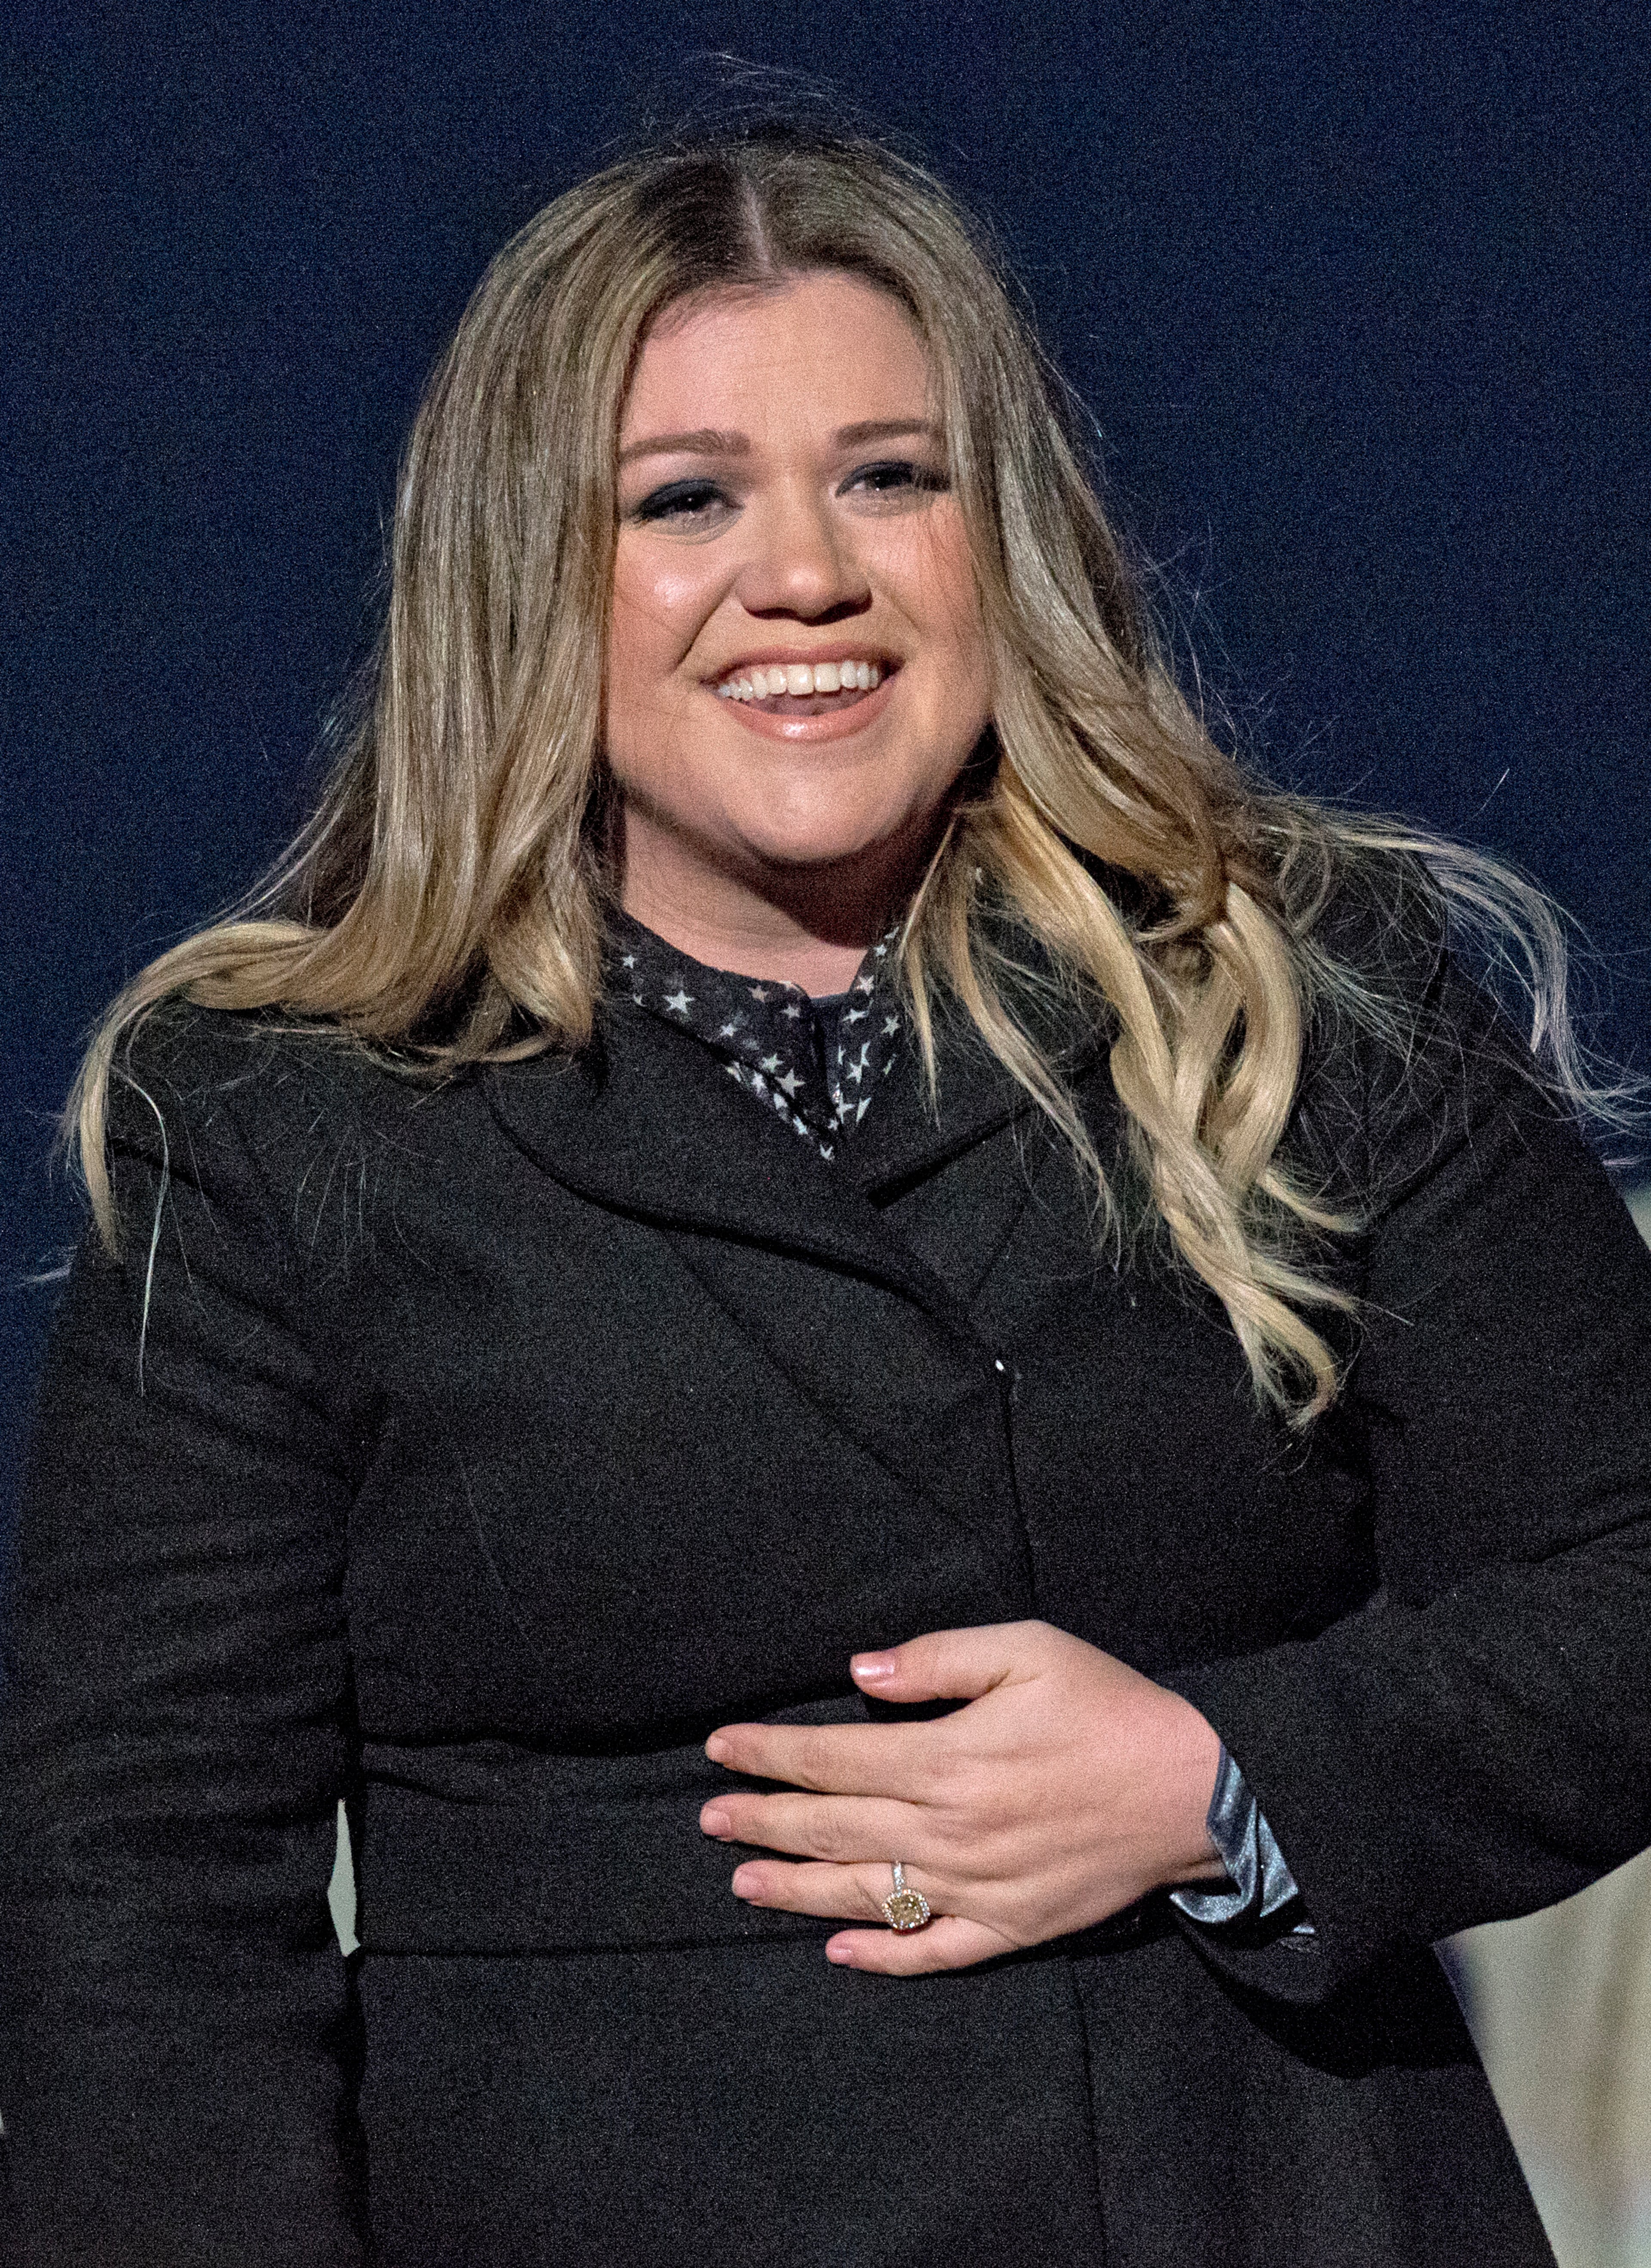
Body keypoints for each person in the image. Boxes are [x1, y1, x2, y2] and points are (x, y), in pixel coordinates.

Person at [3, 118, 1649, 2268]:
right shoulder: (279, 1117)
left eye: (893, 475)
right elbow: (145, 1902)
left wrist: (1230, 1779)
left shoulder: (1290, 989)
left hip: (1255, 2188)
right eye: (686, 499)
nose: (812, 575)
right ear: (529, 572)